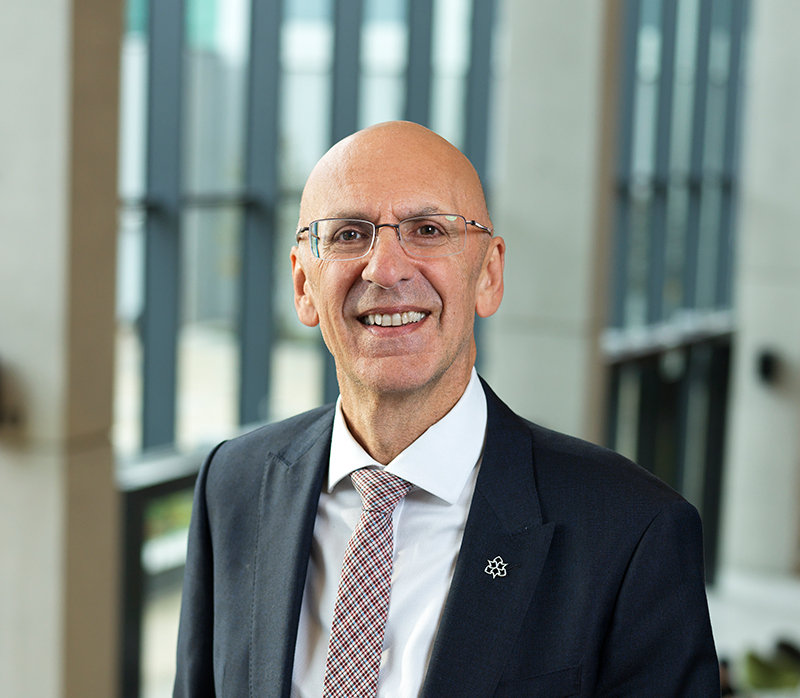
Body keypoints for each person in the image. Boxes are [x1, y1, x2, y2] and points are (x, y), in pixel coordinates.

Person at [173, 121, 719, 697]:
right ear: (304, 286)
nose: (385, 268)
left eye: (428, 230)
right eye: (349, 234)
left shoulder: (632, 532)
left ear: (488, 273)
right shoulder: (232, 486)